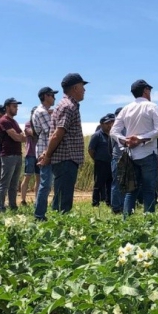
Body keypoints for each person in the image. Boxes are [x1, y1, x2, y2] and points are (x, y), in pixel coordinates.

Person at [111, 79, 158, 216]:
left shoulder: (126, 109)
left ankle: (126, 220)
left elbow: (113, 132)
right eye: (149, 90)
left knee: (131, 190)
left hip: (131, 155)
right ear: (145, 90)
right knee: (149, 189)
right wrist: (140, 139)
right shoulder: (152, 106)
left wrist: (125, 141)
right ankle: (149, 221)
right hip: (148, 153)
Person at [37, 72, 87, 216]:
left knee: (62, 197)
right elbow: (58, 134)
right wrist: (48, 155)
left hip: (66, 159)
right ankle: (58, 230)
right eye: (82, 86)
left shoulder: (66, 105)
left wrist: (47, 153)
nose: (85, 90)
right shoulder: (68, 106)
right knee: (63, 203)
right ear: (75, 88)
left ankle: (57, 228)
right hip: (66, 159)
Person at [24, 87, 56, 208]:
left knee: (46, 183)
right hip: (45, 150)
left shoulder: (43, 111)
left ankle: (41, 209)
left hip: (45, 149)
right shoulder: (42, 112)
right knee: (46, 183)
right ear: (46, 96)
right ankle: (40, 211)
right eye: (52, 95)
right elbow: (50, 131)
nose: (54, 98)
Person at [0, 98, 25, 213]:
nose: (16, 108)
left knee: (14, 183)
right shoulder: (4, 121)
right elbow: (17, 137)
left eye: (17, 106)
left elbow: (20, 134)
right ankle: (0, 207)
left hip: (17, 154)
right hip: (8, 154)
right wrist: (25, 138)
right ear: (7, 107)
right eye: (14, 106)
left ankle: (12, 205)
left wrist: (21, 137)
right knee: (5, 182)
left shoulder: (14, 122)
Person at [88, 113, 114, 207]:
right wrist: (96, 159)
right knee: (98, 184)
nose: (109, 125)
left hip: (111, 163)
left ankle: (109, 202)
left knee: (110, 183)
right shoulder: (97, 135)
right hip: (100, 163)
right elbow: (91, 150)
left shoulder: (112, 135)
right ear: (102, 124)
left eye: (110, 123)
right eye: (107, 123)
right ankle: (95, 203)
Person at [109, 106, 124, 214]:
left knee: (121, 183)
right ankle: (116, 207)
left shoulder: (118, 126)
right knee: (117, 184)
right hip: (119, 158)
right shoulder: (118, 127)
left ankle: (121, 206)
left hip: (119, 157)